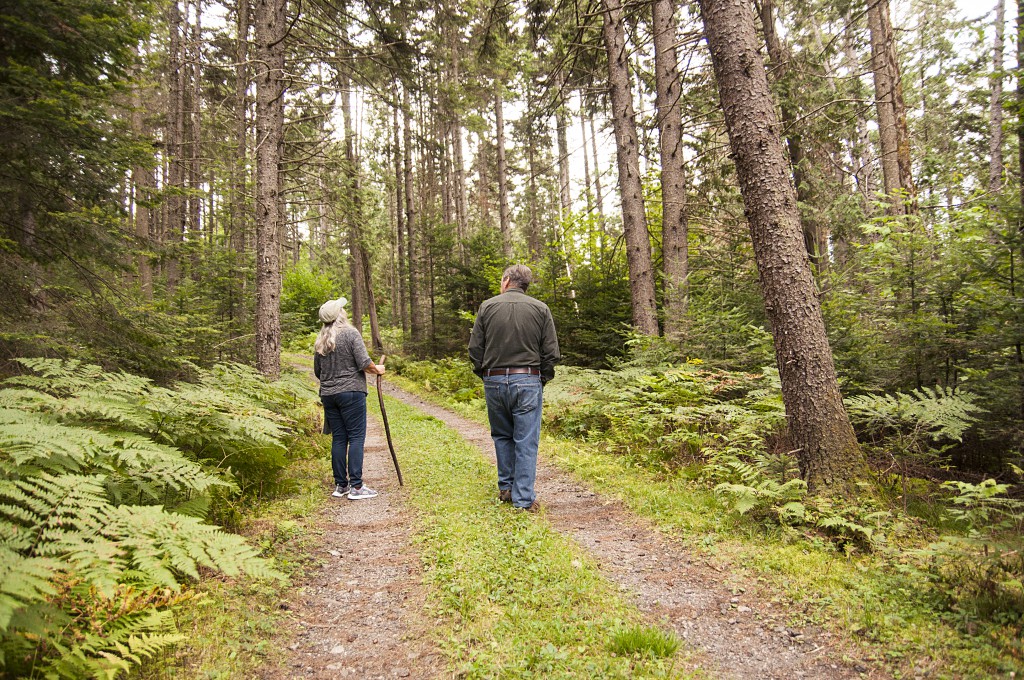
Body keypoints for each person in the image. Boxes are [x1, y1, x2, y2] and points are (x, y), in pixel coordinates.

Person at [469, 264, 560, 511]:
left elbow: (475, 348)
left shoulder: (487, 307)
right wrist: (541, 379)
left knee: (502, 435)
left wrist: (485, 374)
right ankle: (523, 499)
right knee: (526, 440)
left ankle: (506, 488)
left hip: (495, 380)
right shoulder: (541, 309)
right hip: (528, 379)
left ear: (507, 280)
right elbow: (551, 353)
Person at [314, 296, 385, 500]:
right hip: (351, 393)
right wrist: (377, 369)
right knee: (355, 437)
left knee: (339, 438)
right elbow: (364, 363)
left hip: (328, 395)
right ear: (340, 316)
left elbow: (318, 371)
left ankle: (341, 485)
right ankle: (356, 486)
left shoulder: (321, 340)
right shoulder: (351, 334)